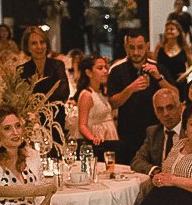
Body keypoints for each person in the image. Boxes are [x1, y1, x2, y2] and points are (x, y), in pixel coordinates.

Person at [108, 29, 173, 160]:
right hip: (128, 134)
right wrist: (130, 89)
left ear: (147, 46)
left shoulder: (158, 68)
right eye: (132, 47)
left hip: (156, 133)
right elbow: (113, 103)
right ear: (126, 47)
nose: (136, 52)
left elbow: (175, 95)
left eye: (140, 47)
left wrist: (159, 78)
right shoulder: (117, 70)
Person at [131, 88, 184, 181]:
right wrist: (156, 171)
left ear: (180, 108)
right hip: (159, 184)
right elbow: (137, 161)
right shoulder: (153, 132)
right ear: (156, 113)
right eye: (160, 109)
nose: (165, 113)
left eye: (170, 107)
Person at [18, 25, 71, 103]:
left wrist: (39, 101)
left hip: (56, 113)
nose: (39, 46)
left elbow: (64, 93)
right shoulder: (22, 70)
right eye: (34, 43)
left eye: (42, 42)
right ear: (28, 48)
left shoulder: (57, 65)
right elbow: (22, 99)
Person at [75, 56, 118, 152]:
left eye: (105, 67)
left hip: (108, 137)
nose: (105, 71)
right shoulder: (87, 95)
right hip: (98, 141)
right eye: (100, 68)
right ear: (89, 73)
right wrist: (93, 139)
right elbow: (82, 125)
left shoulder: (101, 92)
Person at [155, 19, 192, 86]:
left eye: (172, 29)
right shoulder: (159, 47)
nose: (169, 31)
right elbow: (154, 63)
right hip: (162, 83)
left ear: (178, 32)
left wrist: (184, 75)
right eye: (167, 29)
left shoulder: (185, 48)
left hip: (180, 83)